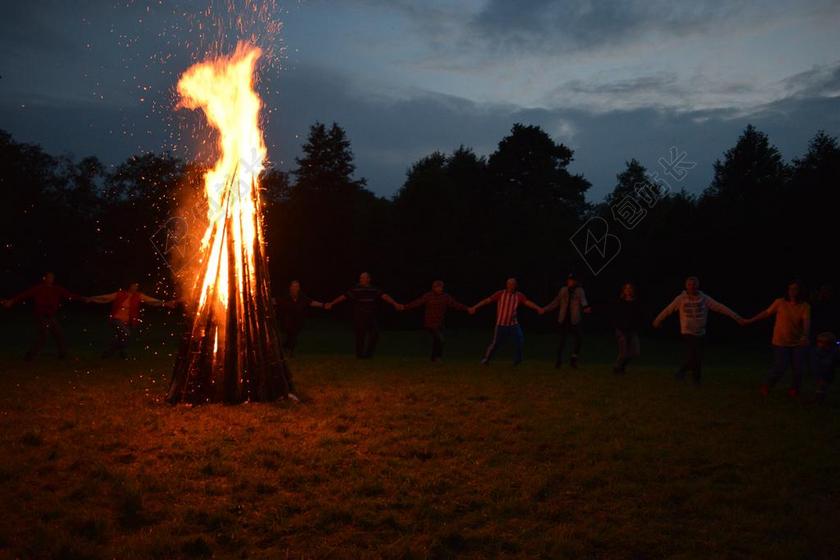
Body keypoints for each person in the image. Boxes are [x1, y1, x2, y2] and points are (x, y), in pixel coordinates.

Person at [653, 276, 745, 385]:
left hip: (700, 332)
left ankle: (681, 372)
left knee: (695, 357)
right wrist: (657, 320)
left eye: (694, 284)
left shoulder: (704, 298)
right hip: (687, 331)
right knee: (696, 357)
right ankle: (696, 380)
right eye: (689, 284)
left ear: (698, 286)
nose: (692, 287)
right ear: (686, 286)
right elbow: (668, 309)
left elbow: (720, 307)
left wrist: (737, 317)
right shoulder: (681, 299)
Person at [745, 280, 811, 398]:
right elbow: (766, 312)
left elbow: (806, 322)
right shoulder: (780, 302)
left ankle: (794, 389)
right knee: (780, 366)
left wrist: (805, 335)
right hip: (780, 341)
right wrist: (750, 320)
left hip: (797, 342)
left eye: (795, 289)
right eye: (790, 288)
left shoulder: (805, 306)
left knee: (798, 369)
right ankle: (767, 386)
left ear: (800, 291)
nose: (792, 291)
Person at [1, 272, 86, 360]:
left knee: (59, 334)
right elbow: (24, 295)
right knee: (44, 336)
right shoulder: (38, 288)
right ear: (44, 278)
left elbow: (69, 295)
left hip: (51, 316)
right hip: (41, 316)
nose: (50, 279)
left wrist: (83, 298)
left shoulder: (56, 289)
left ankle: (63, 354)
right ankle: (31, 355)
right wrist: (12, 301)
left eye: (52, 277)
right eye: (48, 277)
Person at [88, 282, 174, 359]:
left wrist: (164, 303)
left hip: (128, 321)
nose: (135, 287)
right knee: (126, 334)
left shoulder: (138, 296)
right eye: (134, 286)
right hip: (117, 319)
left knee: (122, 338)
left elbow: (151, 301)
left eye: (136, 286)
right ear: (129, 286)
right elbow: (106, 298)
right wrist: (92, 298)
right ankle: (121, 352)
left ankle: (110, 353)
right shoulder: (120, 294)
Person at [325, 272, 401, 359]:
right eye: (361, 278)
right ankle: (360, 355)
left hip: (371, 315)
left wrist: (395, 303)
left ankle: (368, 354)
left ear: (369, 279)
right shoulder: (356, 289)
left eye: (364, 278)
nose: (361, 279)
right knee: (360, 335)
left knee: (375, 334)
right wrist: (332, 303)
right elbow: (344, 296)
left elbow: (385, 296)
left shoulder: (374, 289)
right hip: (360, 314)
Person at [470, 277, 543, 366]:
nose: (511, 286)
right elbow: (487, 301)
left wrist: (538, 308)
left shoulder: (519, 295)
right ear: (507, 285)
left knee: (520, 340)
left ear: (516, 286)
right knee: (495, 343)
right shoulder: (500, 294)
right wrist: (475, 307)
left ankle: (518, 360)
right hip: (501, 324)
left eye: (513, 284)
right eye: (510, 284)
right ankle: (486, 359)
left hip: (513, 324)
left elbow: (527, 302)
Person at [402, 280, 471, 361]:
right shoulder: (428, 296)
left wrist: (467, 308)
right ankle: (438, 357)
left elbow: (455, 304)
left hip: (440, 323)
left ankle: (433, 358)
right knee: (441, 339)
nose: (439, 289)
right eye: (437, 287)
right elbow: (417, 302)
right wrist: (405, 307)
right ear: (433, 288)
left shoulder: (445, 297)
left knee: (436, 340)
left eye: (441, 287)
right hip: (430, 323)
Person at [542, 273, 592, 368]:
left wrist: (586, 307)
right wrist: (545, 309)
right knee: (562, 341)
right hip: (563, 319)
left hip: (574, 320)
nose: (570, 282)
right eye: (569, 280)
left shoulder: (579, 290)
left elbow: (583, 301)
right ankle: (558, 360)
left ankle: (574, 359)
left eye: (572, 280)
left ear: (576, 281)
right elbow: (556, 302)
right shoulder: (563, 290)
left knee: (579, 339)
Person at [274, 280, 324, 357]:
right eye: (293, 286)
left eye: (296, 286)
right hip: (286, 320)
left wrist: (323, 305)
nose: (295, 288)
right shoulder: (285, 296)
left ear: (299, 288)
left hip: (298, 320)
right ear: (290, 287)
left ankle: (289, 350)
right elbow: (275, 301)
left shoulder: (301, 297)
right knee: (290, 334)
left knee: (293, 335)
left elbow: (311, 302)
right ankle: (287, 350)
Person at [611, 282, 646, 374]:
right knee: (623, 352)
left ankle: (622, 366)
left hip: (632, 330)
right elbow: (615, 315)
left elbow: (639, 315)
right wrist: (619, 327)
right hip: (621, 330)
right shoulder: (620, 302)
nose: (628, 290)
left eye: (630, 288)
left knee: (635, 352)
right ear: (623, 290)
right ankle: (617, 367)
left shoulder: (636, 302)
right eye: (626, 288)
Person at [811, 332, 838, 402]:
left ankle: (820, 397)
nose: (819, 344)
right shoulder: (817, 350)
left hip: (828, 372)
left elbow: (831, 362)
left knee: (823, 384)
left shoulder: (833, 352)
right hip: (819, 370)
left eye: (821, 342)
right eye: (819, 342)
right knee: (819, 384)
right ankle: (819, 396)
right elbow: (815, 361)